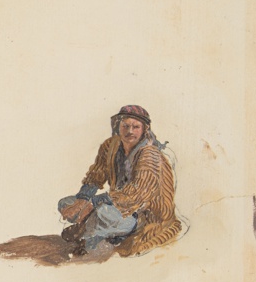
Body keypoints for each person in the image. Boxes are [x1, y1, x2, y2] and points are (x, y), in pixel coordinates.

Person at [58, 105, 182, 258]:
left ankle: (88, 238)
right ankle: (93, 228)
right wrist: (82, 199)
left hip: (140, 214)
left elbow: (136, 194)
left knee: (103, 214)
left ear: (144, 129)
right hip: (114, 204)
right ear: (118, 126)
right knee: (65, 203)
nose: (130, 131)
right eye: (125, 126)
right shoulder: (110, 145)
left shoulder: (150, 154)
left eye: (136, 127)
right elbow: (96, 175)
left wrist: (93, 203)